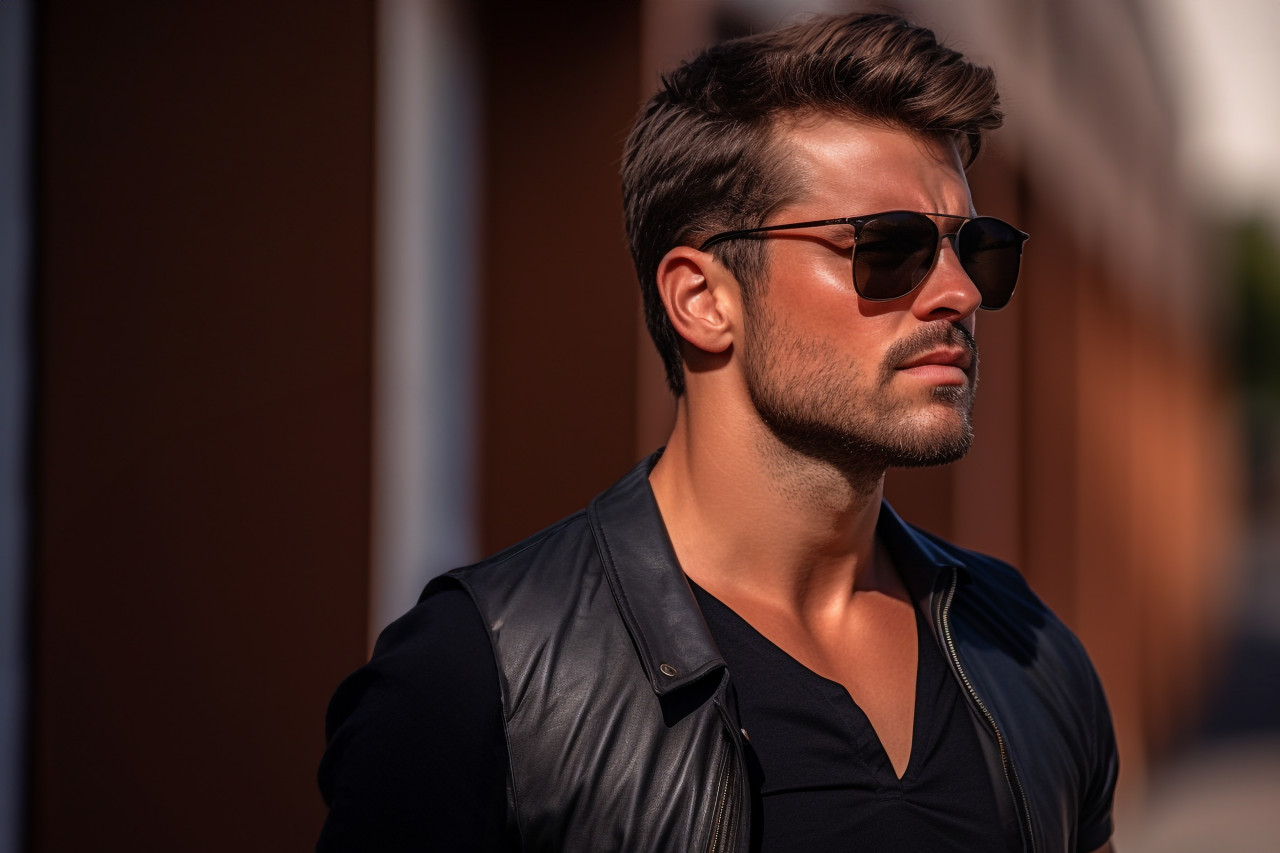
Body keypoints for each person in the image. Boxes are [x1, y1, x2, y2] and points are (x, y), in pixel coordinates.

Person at [317, 12, 1118, 853]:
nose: (958, 293)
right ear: (702, 300)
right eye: (890, 247)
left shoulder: (1026, 651)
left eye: (976, 248)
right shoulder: (480, 682)